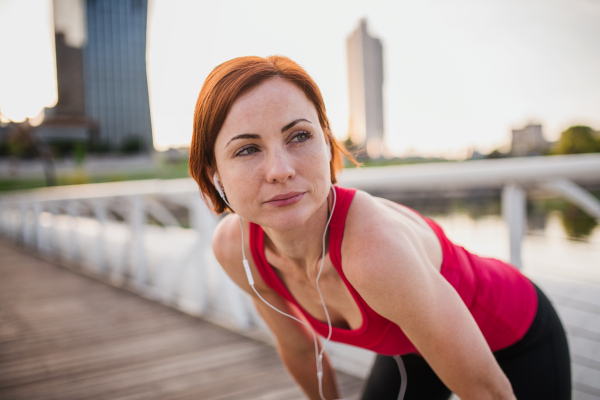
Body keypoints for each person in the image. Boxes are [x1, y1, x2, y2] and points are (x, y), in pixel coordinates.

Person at [188, 55, 571, 400]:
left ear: (326, 142)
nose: (281, 170)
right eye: (247, 149)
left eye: (300, 136)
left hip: (517, 336)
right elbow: (300, 349)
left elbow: (490, 393)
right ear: (213, 172)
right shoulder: (233, 249)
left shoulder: (372, 252)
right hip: (411, 339)